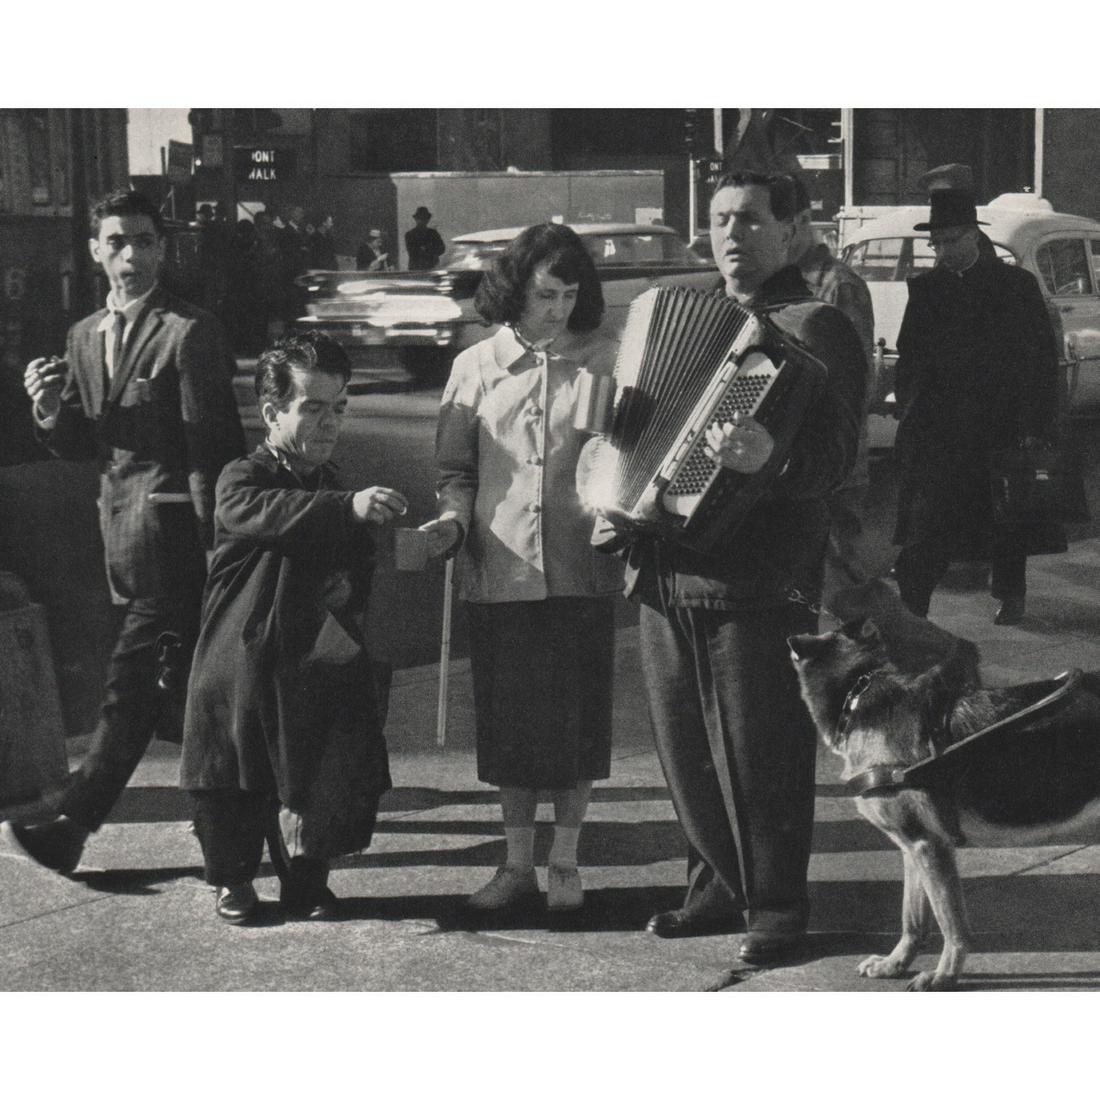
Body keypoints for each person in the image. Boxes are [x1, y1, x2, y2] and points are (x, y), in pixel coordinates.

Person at [625, 172, 865, 965]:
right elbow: (640, 425)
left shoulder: (817, 323)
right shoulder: (674, 311)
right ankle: (716, 887)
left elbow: (837, 458)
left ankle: (777, 908)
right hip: (664, 563)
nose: (733, 233)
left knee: (761, 749)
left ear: (792, 229)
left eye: (753, 219)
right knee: (684, 743)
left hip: (760, 576)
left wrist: (776, 459)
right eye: (722, 217)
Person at [3, 188, 245, 874]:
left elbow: (214, 450)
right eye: (117, 242)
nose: (130, 256)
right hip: (119, 544)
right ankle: (254, 823)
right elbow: (83, 441)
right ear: (95, 252)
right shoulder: (83, 336)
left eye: (143, 241)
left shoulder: (189, 331)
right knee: (176, 699)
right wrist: (49, 408)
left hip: (175, 546)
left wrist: (218, 547)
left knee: (131, 688)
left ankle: (73, 826)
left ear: (163, 249)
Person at [420, 223, 622, 914]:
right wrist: (451, 519)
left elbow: (625, 459)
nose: (559, 309)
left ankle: (564, 860)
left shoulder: (604, 360)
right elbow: (455, 470)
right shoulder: (474, 367)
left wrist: (619, 510)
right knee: (511, 731)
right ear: (515, 289)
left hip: (583, 571)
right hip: (498, 573)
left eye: (569, 295)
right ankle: (515, 866)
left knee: (577, 727)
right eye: (545, 294)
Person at [180, 332, 406, 922]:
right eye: (312, 407)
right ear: (272, 412)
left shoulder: (332, 479)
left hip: (311, 650)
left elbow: (353, 559)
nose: (329, 422)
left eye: (338, 407)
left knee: (328, 757)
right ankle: (233, 880)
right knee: (236, 763)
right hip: (245, 646)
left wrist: (351, 578)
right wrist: (346, 509)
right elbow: (258, 514)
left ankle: (307, 878)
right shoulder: (242, 474)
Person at [892, 188, 1061, 625]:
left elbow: (1040, 359)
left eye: (949, 240)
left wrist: (1036, 423)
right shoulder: (926, 290)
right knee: (926, 525)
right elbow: (909, 357)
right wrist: (909, 412)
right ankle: (914, 608)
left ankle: (1010, 591)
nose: (941, 251)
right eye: (936, 243)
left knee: (1007, 519)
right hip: (941, 430)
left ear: (972, 236)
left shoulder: (1016, 287)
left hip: (1000, 426)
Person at [789, 176, 877, 600]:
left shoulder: (837, 285)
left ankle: (908, 661)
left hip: (833, 468)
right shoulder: (776, 279)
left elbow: (854, 384)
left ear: (803, 222)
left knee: (845, 592)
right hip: (791, 467)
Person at [405, 206, 446, 271]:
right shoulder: (410, 235)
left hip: (432, 267)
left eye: (425, 218)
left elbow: (442, 249)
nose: (423, 221)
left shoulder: (433, 233)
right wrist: (431, 250)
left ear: (428, 220)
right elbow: (413, 253)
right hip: (416, 268)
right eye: (420, 218)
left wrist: (424, 249)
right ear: (416, 219)